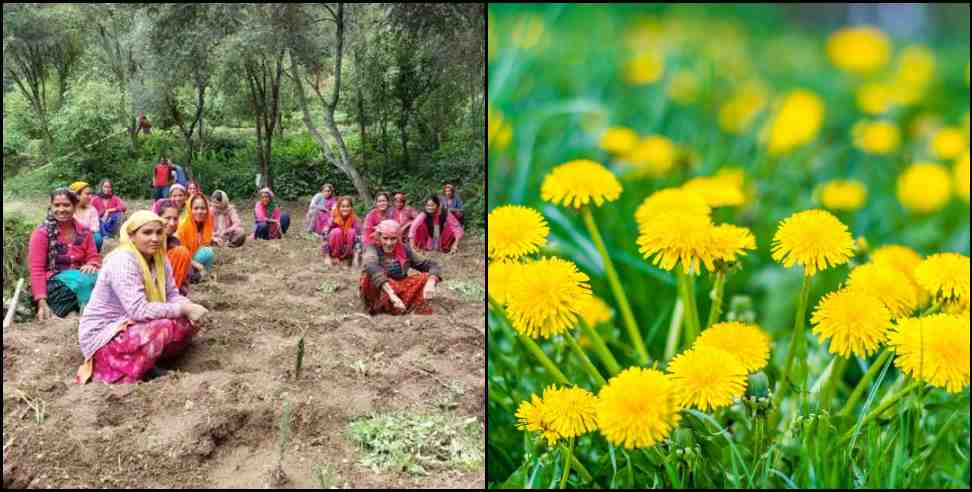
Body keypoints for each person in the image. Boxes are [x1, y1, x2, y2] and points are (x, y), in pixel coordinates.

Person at [75, 211, 209, 385]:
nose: (155, 238)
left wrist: (189, 307)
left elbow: (172, 295)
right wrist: (183, 309)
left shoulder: (160, 258)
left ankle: (148, 361)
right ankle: (126, 368)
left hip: (132, 323)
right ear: (132, 236)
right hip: (106, 334)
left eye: (159, 233)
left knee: (186, 323)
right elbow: (138, 310)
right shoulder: (122, 260)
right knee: (165, 326)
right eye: (147, 233)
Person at [28, 188, 102, 321]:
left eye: (66, 205)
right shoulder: (42, 234)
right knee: (86, 283)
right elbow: (36, 269)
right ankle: (84, 309)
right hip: (54, 285)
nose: (61, 209)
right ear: (51, 206)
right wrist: (41, 301)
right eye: (56, 205)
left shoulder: (85, 231)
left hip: (79, 279)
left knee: (102, 279)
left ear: (75, 206)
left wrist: (92, 264)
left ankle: (82, 308)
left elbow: (93, 256)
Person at [360, 220, 441, 315]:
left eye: (393, 239)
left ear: (398, 238)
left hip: (400, 289)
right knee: (368, 277)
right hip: (383, 291)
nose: (389, 243)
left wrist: (431, 282)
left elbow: (431, 265)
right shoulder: (372, 248)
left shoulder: (405, 249)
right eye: (385, 238)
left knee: (426, 277)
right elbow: (371, 266)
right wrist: (392, 294)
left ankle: (409, 308)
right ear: (379, 237)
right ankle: (377, 309)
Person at [157, 200, 194, 294]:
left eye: (175, 219)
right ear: (157, 218)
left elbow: (185, 280)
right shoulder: (147, 242)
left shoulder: (175, 243)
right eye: (167, 218)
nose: (172, 223)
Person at [176, 194, 216, 277]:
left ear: (207, 210)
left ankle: (200, 275)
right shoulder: (184, 226)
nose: (199, 211)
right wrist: (196, 264)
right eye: (196, 208)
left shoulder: (204, 224)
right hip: (182, 261)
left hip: (192, 256)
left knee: (208, 250)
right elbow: (180, 254)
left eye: (203, 208)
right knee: (208, 252)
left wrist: (212, 239)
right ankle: (197, 274)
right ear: (190, 209)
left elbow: (202, 242)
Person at [322, 196, 362, 267]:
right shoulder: (333, 218)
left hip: (348, 250)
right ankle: (334, 257)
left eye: (347, 206)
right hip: (333, 249)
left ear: (351, 208)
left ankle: (348, 258)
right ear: (338, 208)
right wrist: (326, 256)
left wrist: (356, 257)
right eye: (343, 206)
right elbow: (324, 237)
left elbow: (359, 239)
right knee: (336, 232)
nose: (345, 209)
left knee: (351, 232)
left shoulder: (355, 219)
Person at [70, 181, 104, 253]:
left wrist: (82, 234)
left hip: (87, 237)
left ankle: (92, 256)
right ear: (77, 195)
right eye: (87, 194)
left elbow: (95, 228)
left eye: (91, 194)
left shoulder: (92, 209)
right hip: (69, 237)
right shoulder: (68, 209)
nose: (90, 197)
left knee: (97, 238)